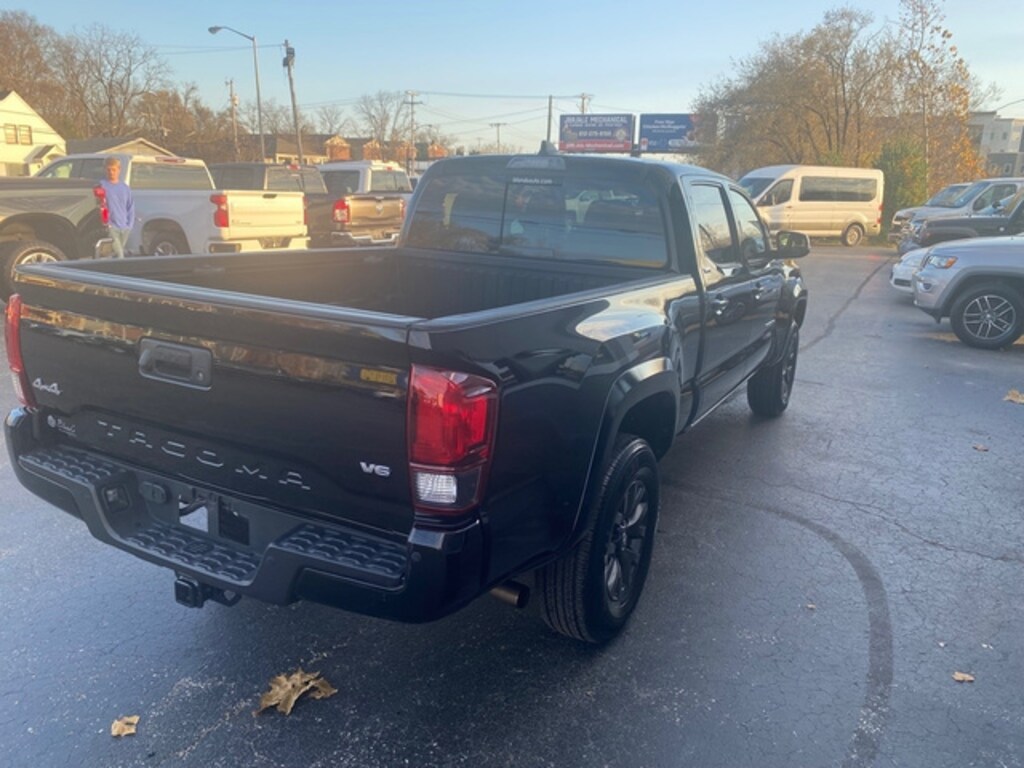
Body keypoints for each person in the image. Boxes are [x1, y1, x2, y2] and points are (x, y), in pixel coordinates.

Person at [100, 157, 135, 257]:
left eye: (114, 170)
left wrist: (129, 226)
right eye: (109, 170)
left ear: (119, 170)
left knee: (113, 255)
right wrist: (107, 224)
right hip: (111, 227)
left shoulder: (125, 188)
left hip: (124, 227)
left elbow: (130, 207)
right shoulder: (102, 186)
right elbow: (100, 205)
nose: (111, 172)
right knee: (120, 255)